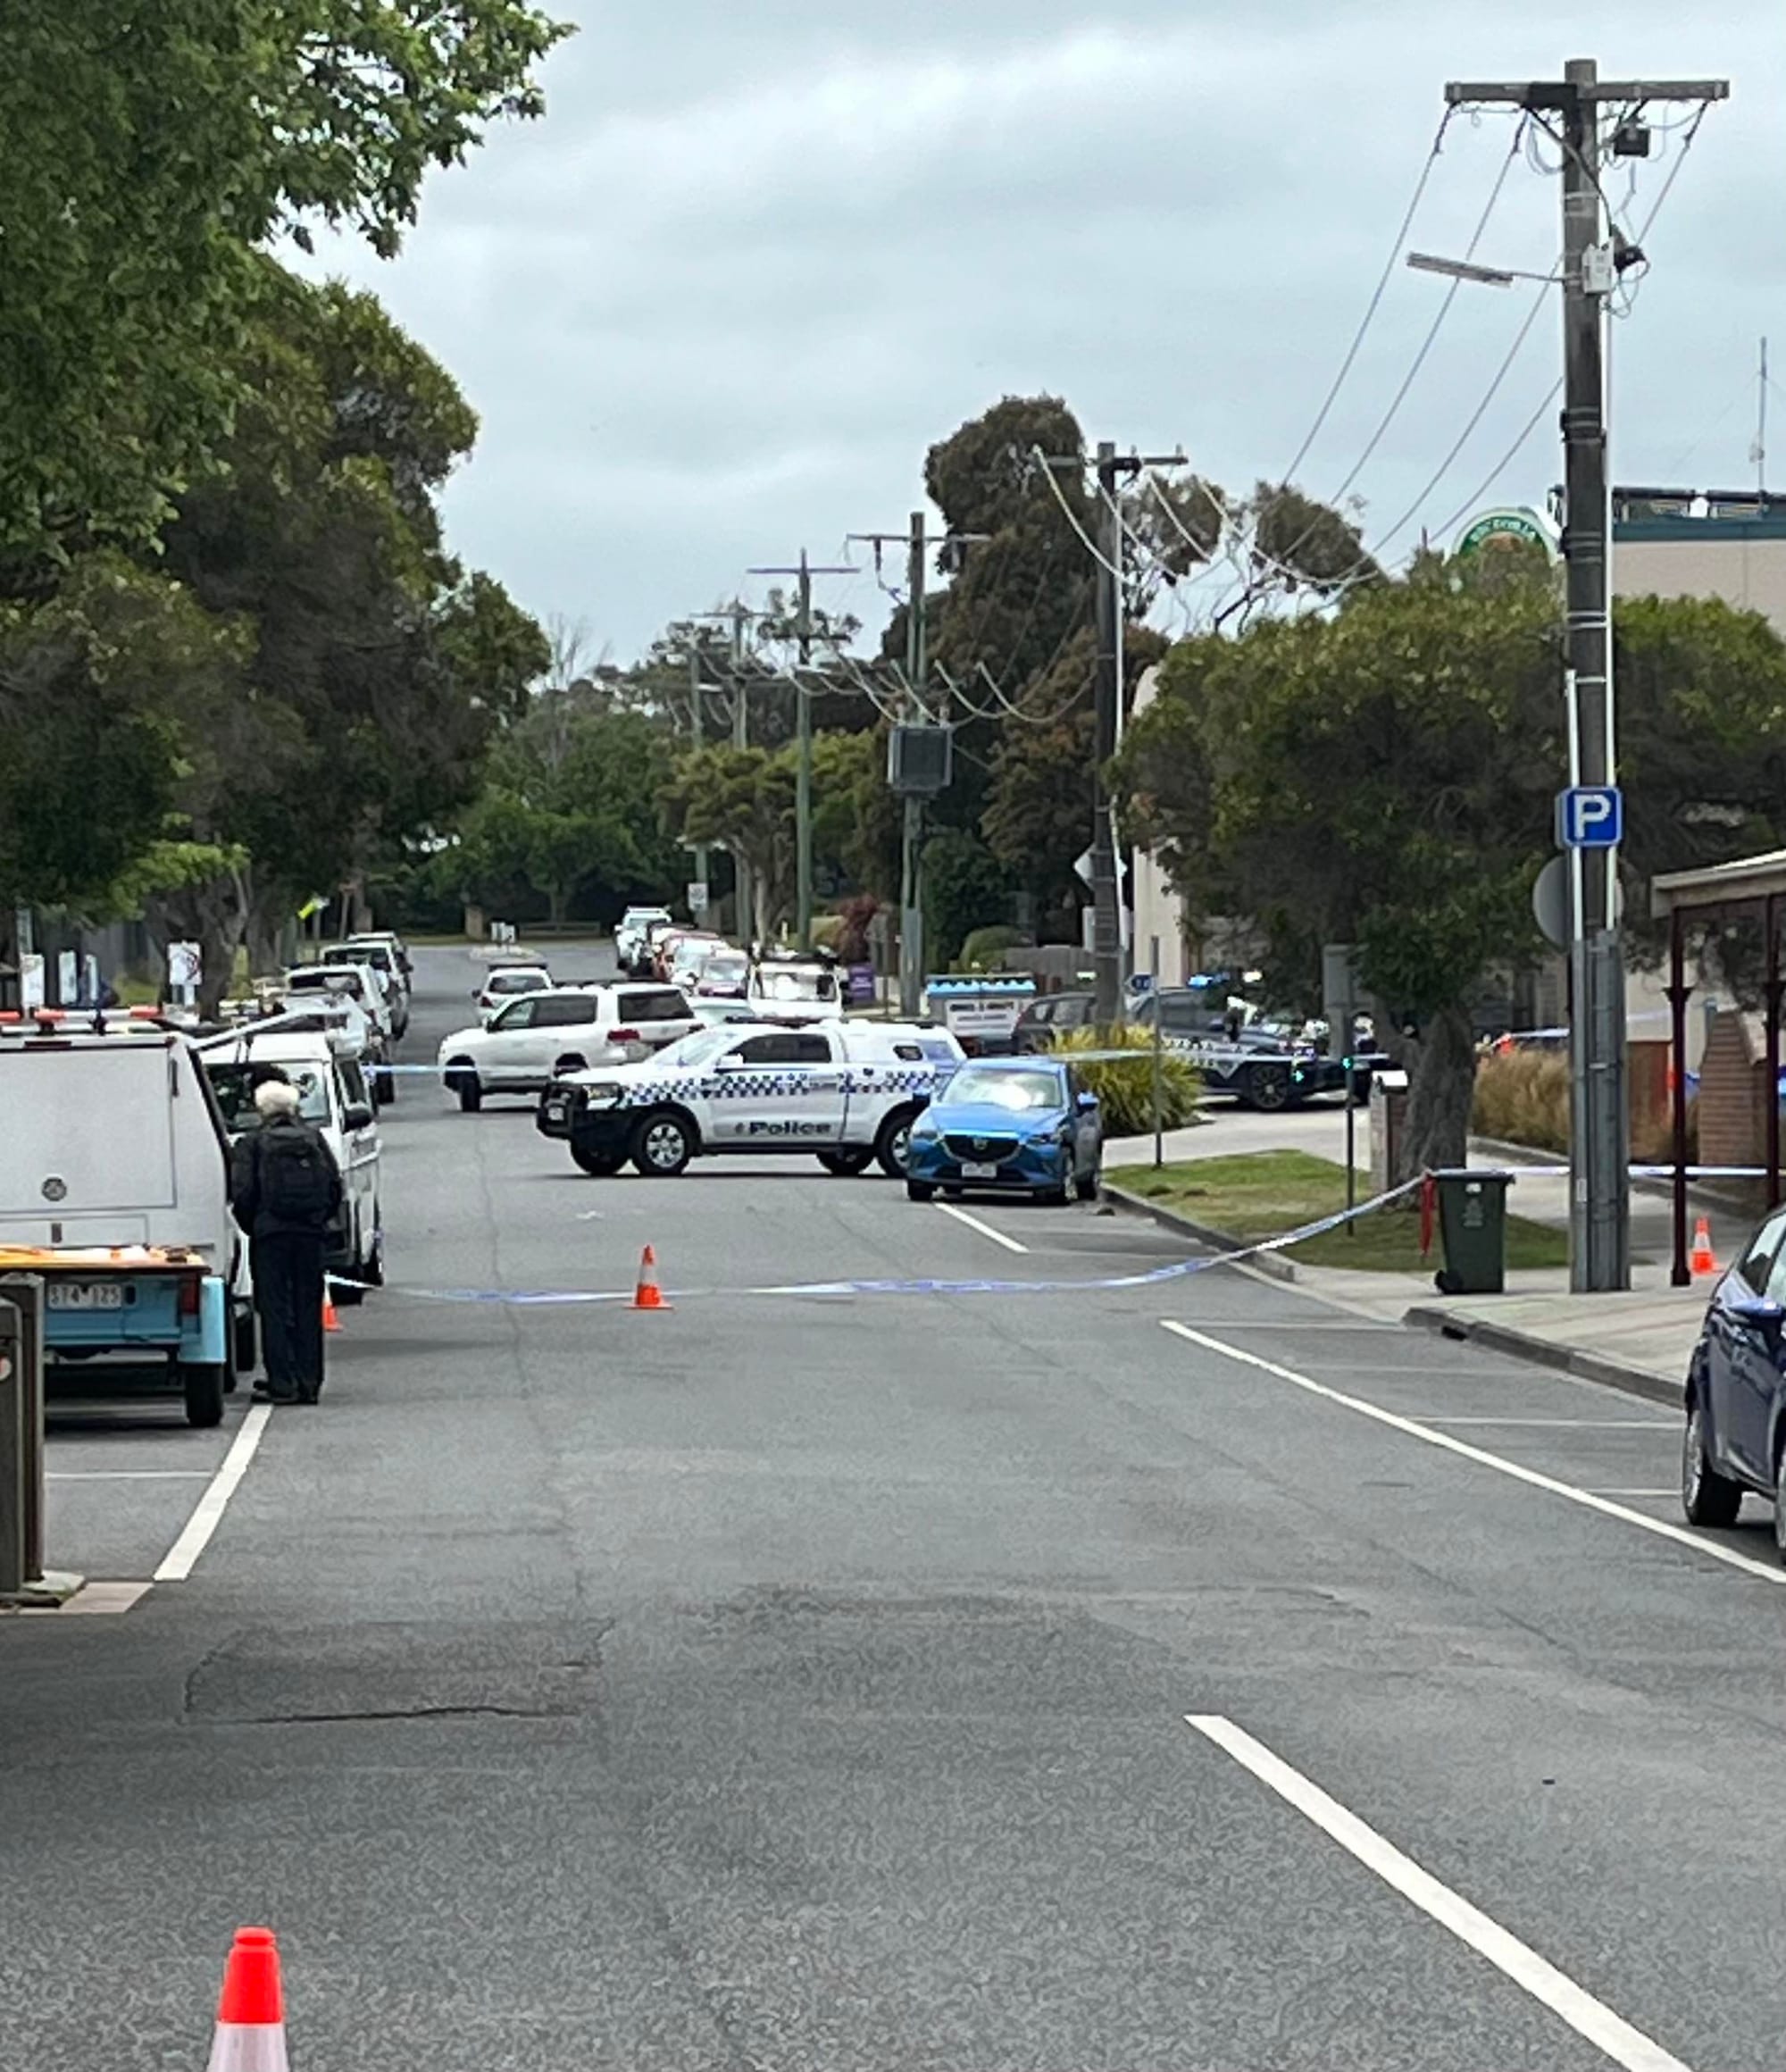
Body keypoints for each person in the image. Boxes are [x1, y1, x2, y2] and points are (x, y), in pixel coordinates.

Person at [230, 1079, 342, 1405]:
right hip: (309, 1235)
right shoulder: (313, 1138)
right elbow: (334, 1186)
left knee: (275, 1308)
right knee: (308, 1306)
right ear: (293, 1108)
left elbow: (243, 1193)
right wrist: (318, 1220)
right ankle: (310, 1382)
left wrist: (255, 1226)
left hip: (270, 1236)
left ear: (262, 1109)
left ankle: (282, 1381)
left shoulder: (253, 1143)